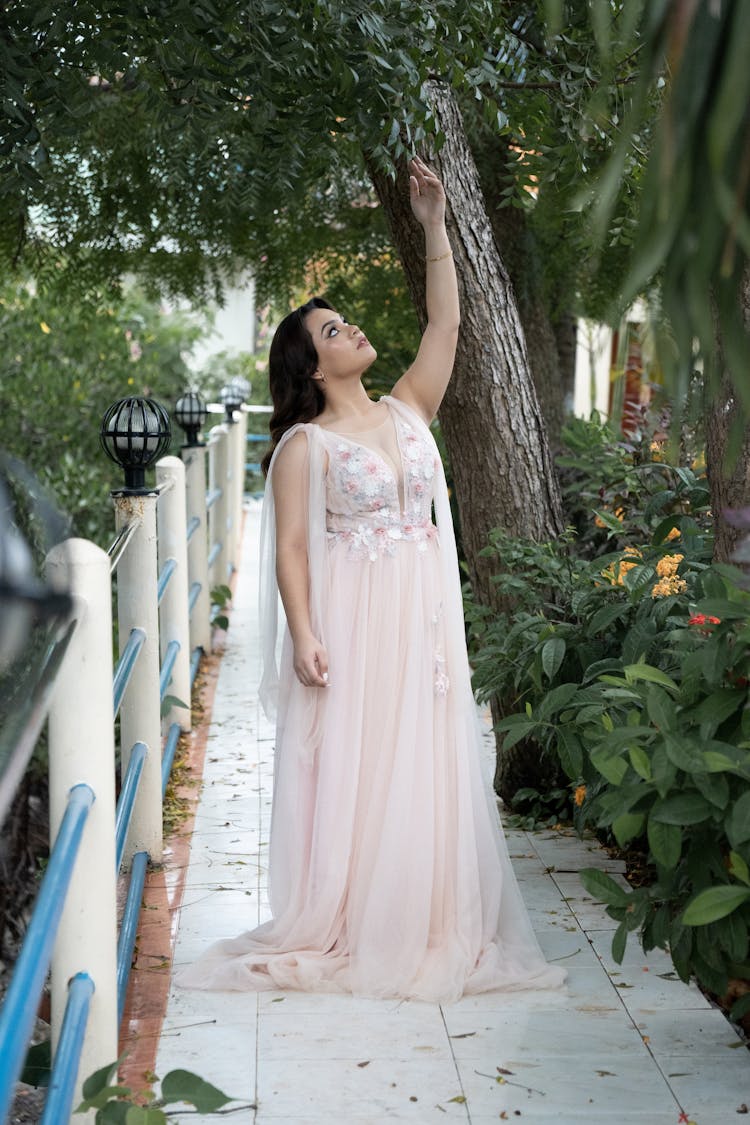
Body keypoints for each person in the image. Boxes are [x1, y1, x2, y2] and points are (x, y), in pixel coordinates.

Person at [177, 157, 567, 1002]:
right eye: (332, 331)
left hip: (422, 622)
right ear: (313, 368)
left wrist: (434, 223)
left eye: (345, 320)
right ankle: (355, 917)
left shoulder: (407, 408)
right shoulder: (302, 449)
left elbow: (448, 329)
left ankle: (426, 917)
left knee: (425, 757)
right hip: (355, 623)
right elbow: (287, 549)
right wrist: (308, 633)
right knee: (363, 765)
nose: (350, 330)